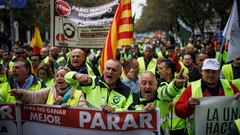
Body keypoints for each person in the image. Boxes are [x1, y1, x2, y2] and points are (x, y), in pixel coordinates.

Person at [175, 58, 240, 135]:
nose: (210, 75)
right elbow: (178, 110)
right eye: (207, 71)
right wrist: (188, 105)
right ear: (201, 72)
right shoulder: (192, 88)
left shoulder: (229, 86)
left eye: (214, 72)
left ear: (219, 72)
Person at [65, 59, 133, 112]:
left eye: (114, 70)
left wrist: (115, 110)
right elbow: (67, 78)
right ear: (103, 70)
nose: (110, 72)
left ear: (120, 74)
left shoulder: (126, 91)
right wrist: (76, 75)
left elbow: (130, 111)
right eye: (108, 69)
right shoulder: (92, 81)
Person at [10, 66, 87, 107]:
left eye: (63, 76)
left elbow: (84, 112)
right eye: (57, 76)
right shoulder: (49, 90)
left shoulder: (78, 93)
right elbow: (34, 96)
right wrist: (21, 94)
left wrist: (71, 110)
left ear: (69, 79)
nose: (59, 78)